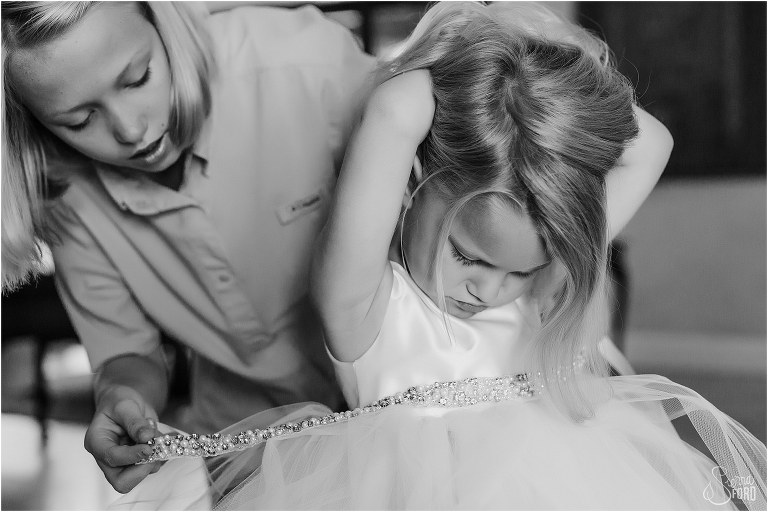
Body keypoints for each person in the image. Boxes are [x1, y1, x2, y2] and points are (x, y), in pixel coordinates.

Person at [108, 2, 767, 510]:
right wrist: (478, 69)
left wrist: (538, 99)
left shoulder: (541, 294)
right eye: (469, 257)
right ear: (413, 179)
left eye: (521, 270)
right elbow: (395, 109)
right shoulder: (367, 311)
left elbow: (651, 141)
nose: (491, 291)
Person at [1, 0, 375, 495]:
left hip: (404, 399)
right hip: (242, 435)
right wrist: (124, 396)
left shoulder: (306, 63)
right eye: (79, 120)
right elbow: (127, 352)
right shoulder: (67, 199)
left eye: (138, 78)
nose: (130, 130)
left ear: (164, 21)